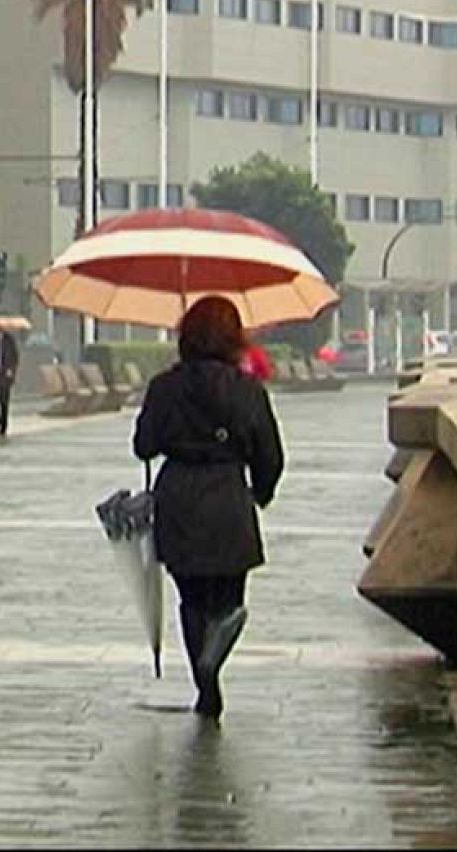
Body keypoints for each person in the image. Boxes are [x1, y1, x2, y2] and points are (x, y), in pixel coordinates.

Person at [133, 297, 285, 720]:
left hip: (178, 498)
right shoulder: (247, 390)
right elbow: (270, 453)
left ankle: (206, 684)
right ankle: (211, 666)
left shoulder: (165, 387)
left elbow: (143, 445)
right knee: (230, 603)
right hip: (229, 500)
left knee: (192, 600)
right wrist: (262, 491)